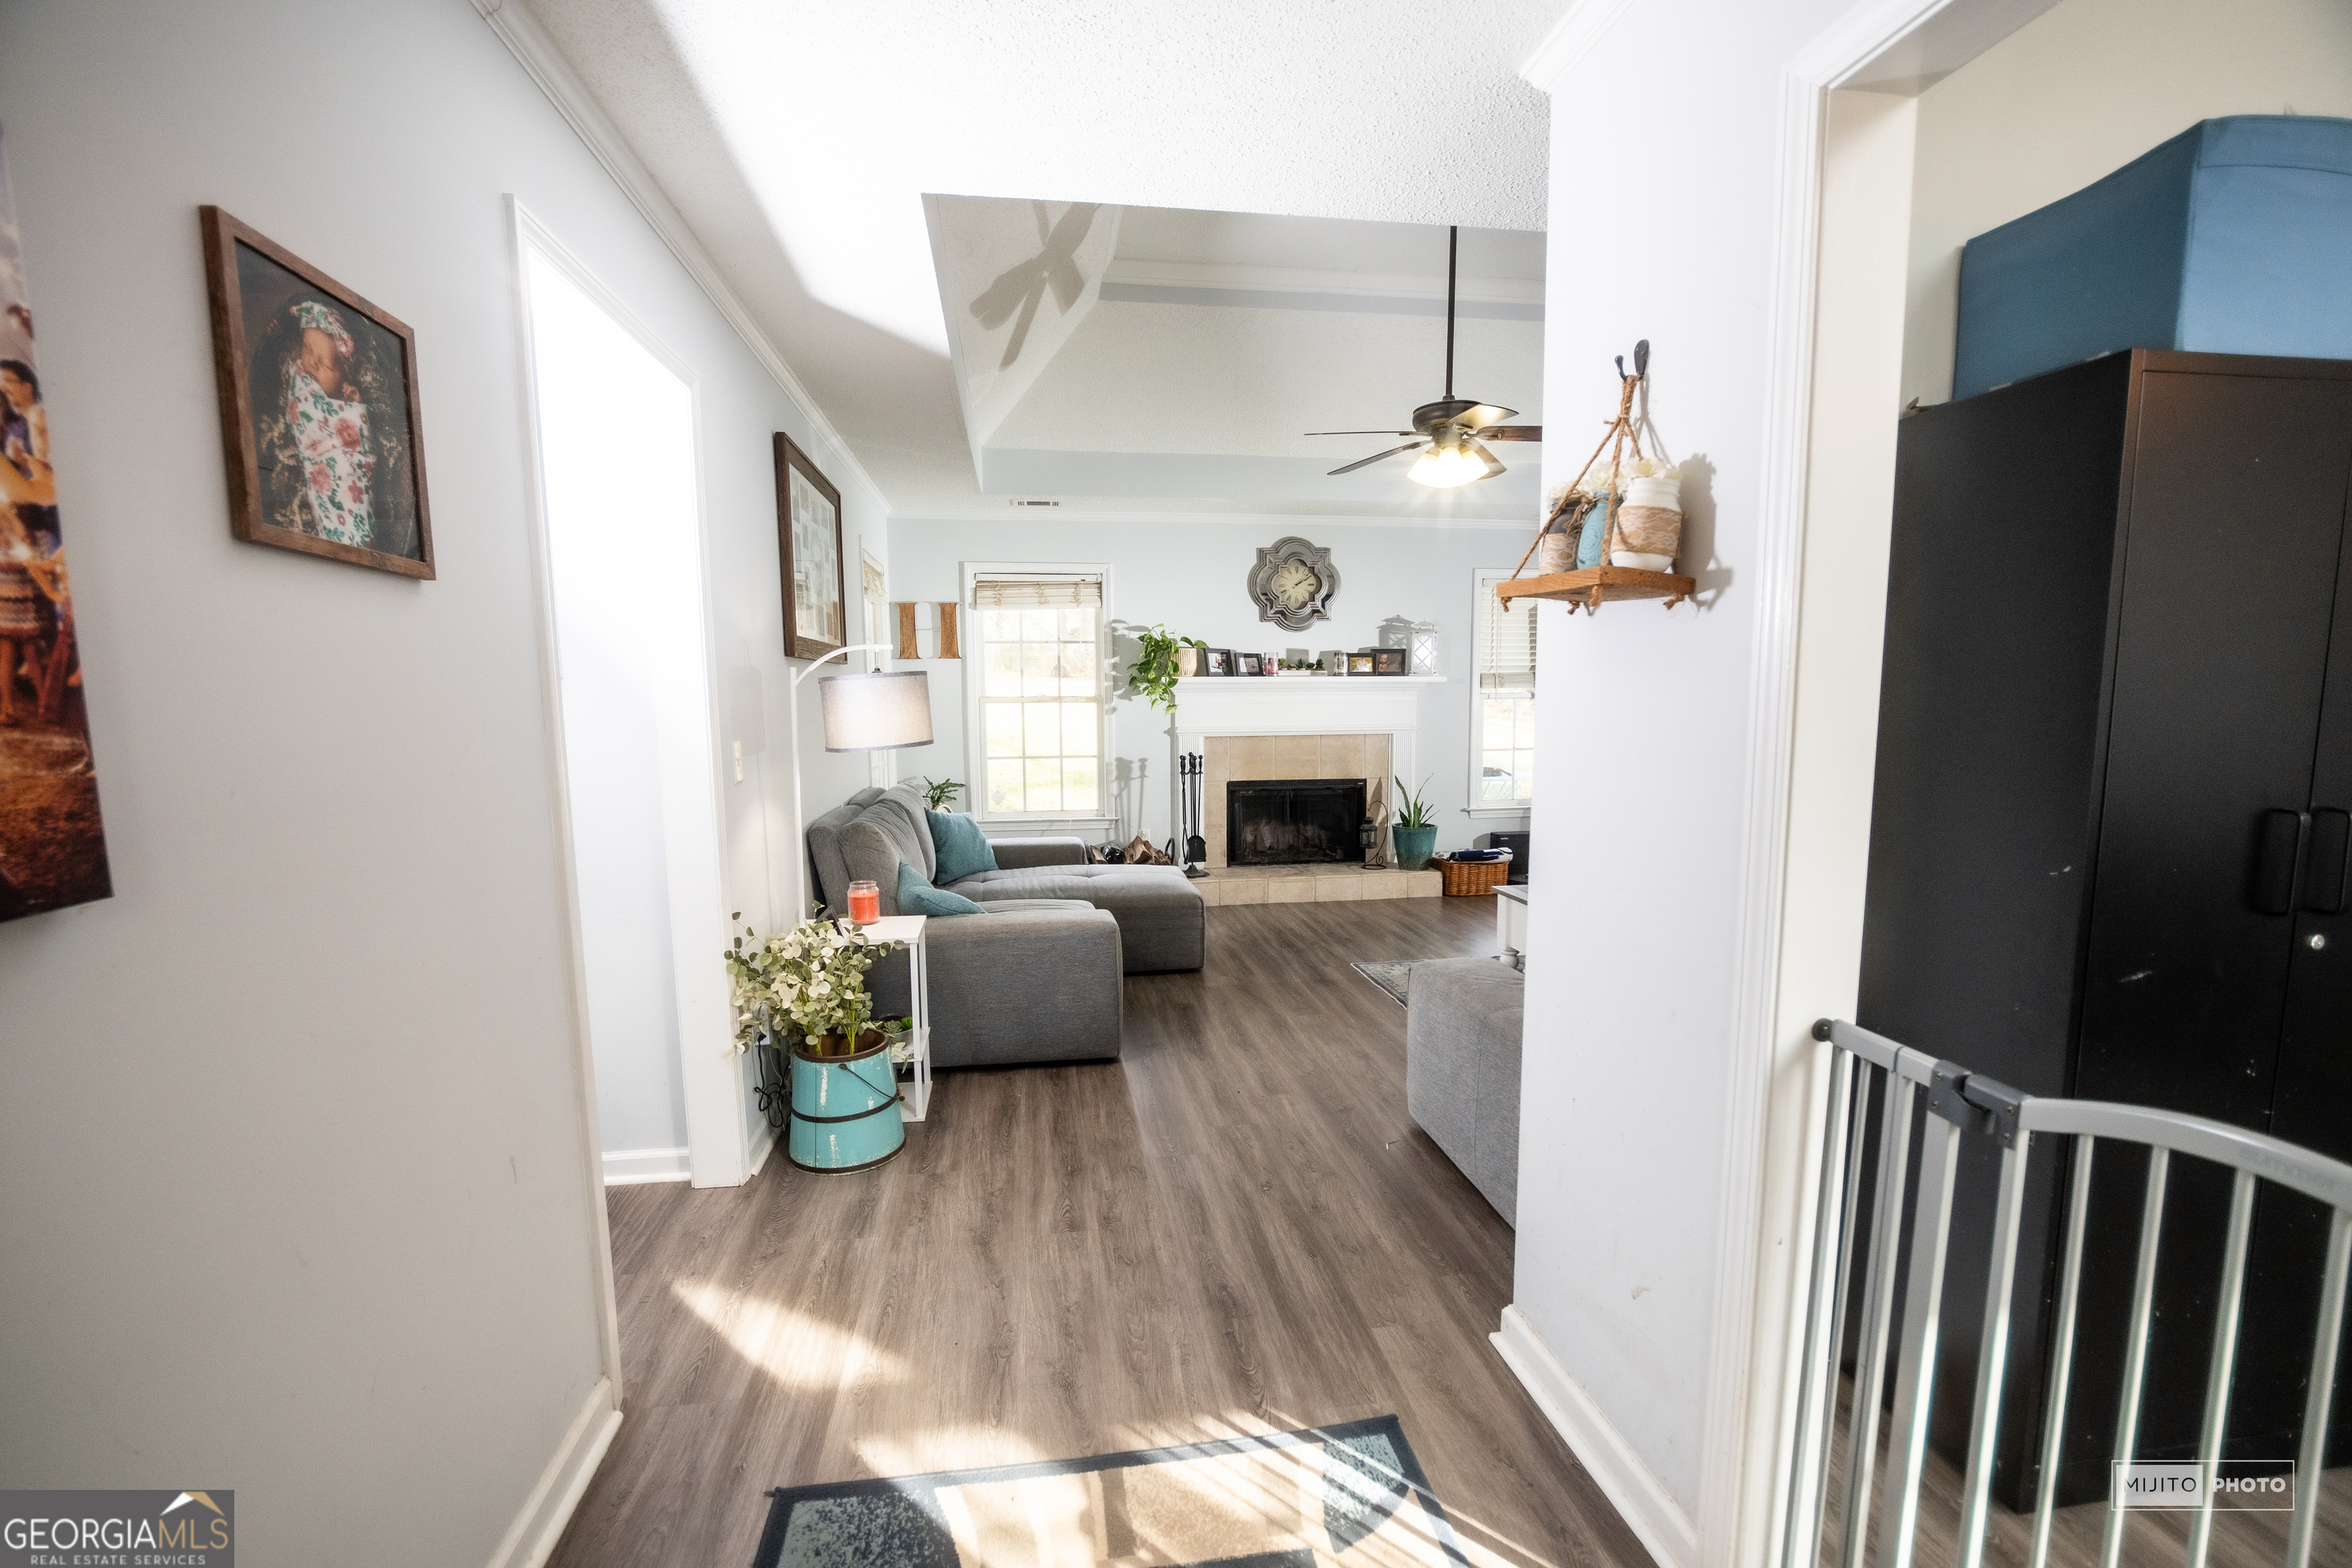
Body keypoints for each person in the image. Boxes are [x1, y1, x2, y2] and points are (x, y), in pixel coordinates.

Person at [250, 296, 416, 556]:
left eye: (327, 364)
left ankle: (358, 540)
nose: (313, 364)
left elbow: (351, 425)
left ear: (344, 375)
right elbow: (302, 414)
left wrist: (351, 405)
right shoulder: (297, 377)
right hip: (319, 464)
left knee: (356, 510)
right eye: (307, 349)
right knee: (335, 515)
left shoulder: (342, 390)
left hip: (348, 466)